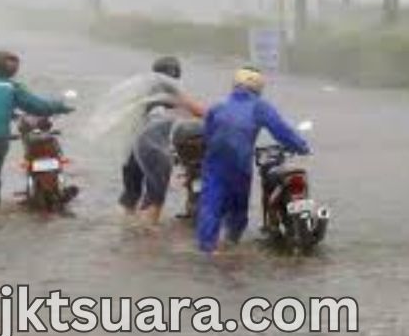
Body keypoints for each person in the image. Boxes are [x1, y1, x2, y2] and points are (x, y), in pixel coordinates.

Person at [197, 65, 309, 254]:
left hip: (214, 163)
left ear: (235, 83)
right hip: (240, 165)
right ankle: (231, 245)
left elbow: (207, 135)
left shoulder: (218, 105)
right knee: (238, 208)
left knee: (210, 205)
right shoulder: (260, 106)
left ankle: (208, 251)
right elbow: (282, 131)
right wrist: (301, 147)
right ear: (258, 87)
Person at [0, 50, 74, 211]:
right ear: (13, 71)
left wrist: (3, 114)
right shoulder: (13, 87)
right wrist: (60, 107)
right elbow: (37, 106)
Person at [119, 55, 204, 219]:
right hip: (153, 149)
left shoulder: (145, 92)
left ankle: (126, 230)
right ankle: (149, 236)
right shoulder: (171, 92)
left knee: (130, 195)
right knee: (154, 198)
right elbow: (199, 111)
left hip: (131, 148)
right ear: (177, 74)